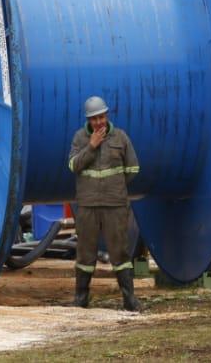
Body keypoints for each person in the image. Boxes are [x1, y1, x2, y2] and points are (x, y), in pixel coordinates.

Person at [67, 95, 140, 311]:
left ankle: (129, 299)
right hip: (88, 205)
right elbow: (73, 166)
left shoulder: (121, 138)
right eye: (94, 118)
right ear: (88, 120)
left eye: (101, 117)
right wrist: (91, 147)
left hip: (115, 204)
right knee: (85, 253)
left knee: (120, 252)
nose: (98, 122)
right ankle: (81, 299)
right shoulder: (79, 138)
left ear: (107, 115)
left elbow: (133, 169)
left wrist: (114, 187)